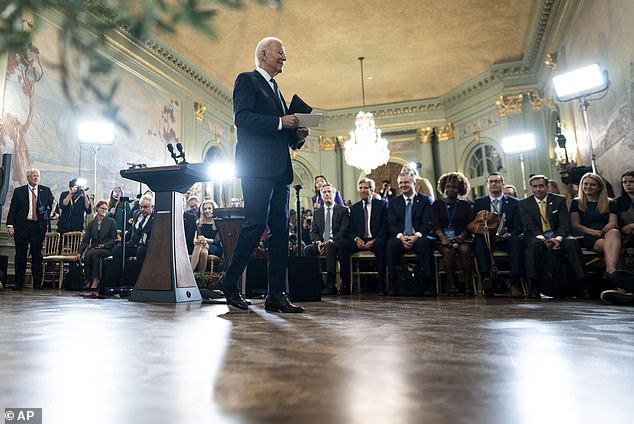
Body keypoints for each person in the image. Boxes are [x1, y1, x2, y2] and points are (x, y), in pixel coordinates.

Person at [219, 36, 308, 313]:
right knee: (255, 224)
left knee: (280, 231)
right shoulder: (246, 80)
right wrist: (281, 122)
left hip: (281, 170)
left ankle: (276, 295)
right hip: (256, 167)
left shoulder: (277, 89)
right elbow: (242, 118)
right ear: (264, 53)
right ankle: (229, 281)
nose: (284, 58)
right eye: (281, 52)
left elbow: (282, 135)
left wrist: (298, 135)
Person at [518, 175, 586, 297]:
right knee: (533, 246)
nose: (538, 189)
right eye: (535, 186)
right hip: (536, 236)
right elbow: (529, 225)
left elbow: (564, 222)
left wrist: (558, 239)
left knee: (572, 242)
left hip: (558, 235)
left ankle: (582, 284)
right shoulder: (524, 204)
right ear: (531, 188)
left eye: (541, 186)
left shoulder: (559, 200)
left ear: (547, 186)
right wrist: (544, 239)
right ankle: (533, 287)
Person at [472, 172, 524, 297]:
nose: (493, 184)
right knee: (479, 241)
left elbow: (519, 226)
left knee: (516, 241)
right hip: (487, 237)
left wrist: (509, 234)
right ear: (487, 185)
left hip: (507, 237)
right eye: (491, 182)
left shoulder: (514, 202)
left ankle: (514, 283)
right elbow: (473, 223)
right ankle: (486, 279)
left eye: (496, 181)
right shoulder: (479, 202)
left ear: (502, 184)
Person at [386, 172, 435, 295]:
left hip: (419, 237)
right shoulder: (393, 203)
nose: (403, 185)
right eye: (401, 183)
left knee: (425, 244)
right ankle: (393, 284)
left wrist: (416, 236)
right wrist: (401, 236)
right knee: (391, 245)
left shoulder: (425, 200)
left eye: (406, 182)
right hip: (400, 237)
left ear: (414, 183)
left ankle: (429, 285)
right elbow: (391, 224)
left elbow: (428, 222)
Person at [6, 168, 55, 290]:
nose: (36, 178)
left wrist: (56, 214)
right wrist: (10, 225)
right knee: (20, 255)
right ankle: (19, 283)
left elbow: (53, 205)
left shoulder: (46, 190)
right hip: (22, 226)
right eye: (33, 176)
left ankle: (37, 283)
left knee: (37, 255)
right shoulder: (19, 191)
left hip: (38, 227)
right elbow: (13, 210)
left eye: (37, 175)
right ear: (28, 177)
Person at [341, 178, 388, 294]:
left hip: (376, 239)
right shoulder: (354, 208)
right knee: (342, 244)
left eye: (366, 188)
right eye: (361, 188)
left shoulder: (382, 205)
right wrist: (356, 239)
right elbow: (351, 229)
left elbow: (385, 226)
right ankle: (346, 284)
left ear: (372, 190)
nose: (363, 190)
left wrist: (376, 240)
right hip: (360, 240)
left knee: (381, 245)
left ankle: (382, 284)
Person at [432, 172, 474, 296]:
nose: (450, 189)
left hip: (462, 238)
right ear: (444, 187)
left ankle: (467, 285)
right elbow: (435, 224)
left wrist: (462, 236)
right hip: (442, 239)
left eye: (454, 187)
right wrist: (443, 237)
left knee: (465, 250)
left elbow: (469, 224)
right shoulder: (437, 204)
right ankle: (451, 285)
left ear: (460, 189)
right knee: (448, 251)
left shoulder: (466, 205)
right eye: (448, 186)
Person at [570, 173, 620, 276]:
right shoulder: (575, 202)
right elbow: (575, 225)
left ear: (599, 187)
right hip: (587, 235)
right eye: (585, 184)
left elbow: (613, 222)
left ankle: (610, 270)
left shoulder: (610, 202)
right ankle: (617, 280)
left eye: (592, 184)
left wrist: (610, 225)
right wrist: (592, 231)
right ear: (581, 185)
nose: (588, 187)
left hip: (606, 232)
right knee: (612, 250)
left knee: (614, 232)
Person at [304, 184, 350, 294]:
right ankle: (318, 283)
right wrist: (318, 242)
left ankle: (331, 284)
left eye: (330, 192)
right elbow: (313, 232)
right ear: (321, 196)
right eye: (324, 192)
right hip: (321, 243)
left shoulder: (343, 210)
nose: (327, 194)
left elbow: (344, 230)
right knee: (307, 250)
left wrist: (329, 241)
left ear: (334, 194)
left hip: (337, 243)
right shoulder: (317, 213)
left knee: (330, 247)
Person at [109, 195, 155, 285]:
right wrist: (122, 240)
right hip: (133, 244)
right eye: (141, 206)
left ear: (152, 206)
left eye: (145, 207)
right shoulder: (136, 214)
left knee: (140, 251)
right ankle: (120, 280)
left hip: (146, 246)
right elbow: (131, 231)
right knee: (117, 251)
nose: (142, 209)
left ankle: (139, 282)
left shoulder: (156, 217)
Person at [79, 200, 116, 296]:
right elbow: (86, 240)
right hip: (95, 248)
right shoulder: (91, 223)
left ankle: (95, 279)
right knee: (88, 253)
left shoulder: (111, 222)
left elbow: (113, 239)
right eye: (102, 208)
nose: (104, 210)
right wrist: (80, 252)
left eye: (106, 209)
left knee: (95, 253)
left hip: (107, 248)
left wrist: (104, 245)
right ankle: (88, 279)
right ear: (97, 209)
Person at [191, 200, 223, 272]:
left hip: (215, 247)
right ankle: (201, 277)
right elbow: (199, 237)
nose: (207, 211)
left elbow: (216, 241)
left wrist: (205, 239)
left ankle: (190, 272)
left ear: (214, 209)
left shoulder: (219, 222)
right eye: (205, 209)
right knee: (204, 252)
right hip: (203, 245)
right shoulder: (200, 222)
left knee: (199, 245)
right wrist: (201, 240)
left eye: (209, 208)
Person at [616, 170, 634, 248]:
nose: (627, 184)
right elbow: (619, 226)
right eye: (624, 182)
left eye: (631, 181)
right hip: (628, 237)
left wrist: (632, 225)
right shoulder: (617, 202)